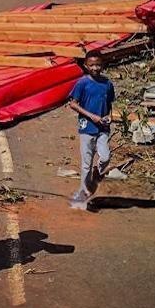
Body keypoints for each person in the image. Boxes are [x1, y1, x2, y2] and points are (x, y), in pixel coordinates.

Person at [67, 50, 115, 210]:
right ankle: (83, 196)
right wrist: (91, 116)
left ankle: (98, 172)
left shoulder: (107, 84)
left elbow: (109, 103)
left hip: (103, 127)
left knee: (105, 156)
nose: (95, 68)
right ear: (86, 66)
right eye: (92, 65)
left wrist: (110, 116)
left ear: (103, 65)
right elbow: (73, 104)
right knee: (86, 165)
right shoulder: (82, 83)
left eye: (98, 65)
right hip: (87, 127)